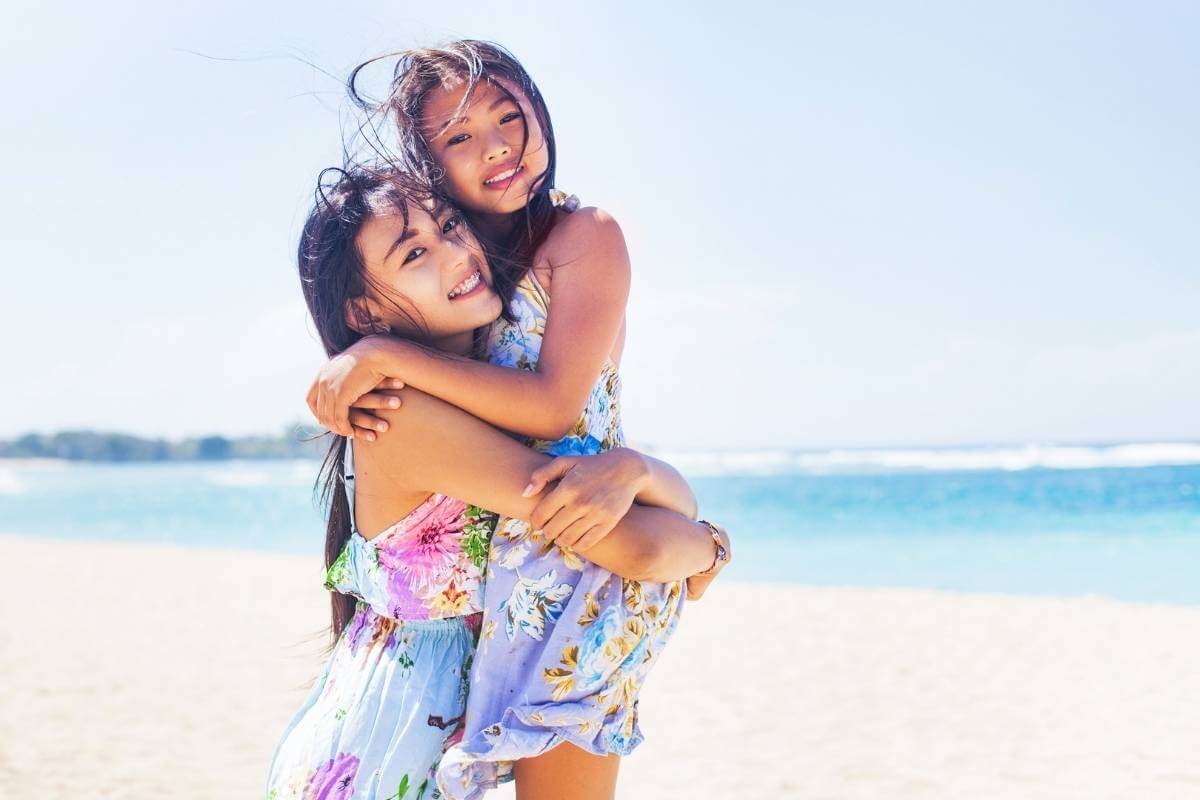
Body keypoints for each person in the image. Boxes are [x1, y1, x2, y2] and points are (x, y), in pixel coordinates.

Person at [307, 41, 729, 800]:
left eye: (511, 116)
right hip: (413, 723)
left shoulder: (576, 238)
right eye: (460, 138)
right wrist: (701, 545)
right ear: (430, 163)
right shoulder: (408, 391)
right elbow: (611, 518)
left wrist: (638, 474)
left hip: (568, 587)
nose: (498, 146)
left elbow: (555, 409)